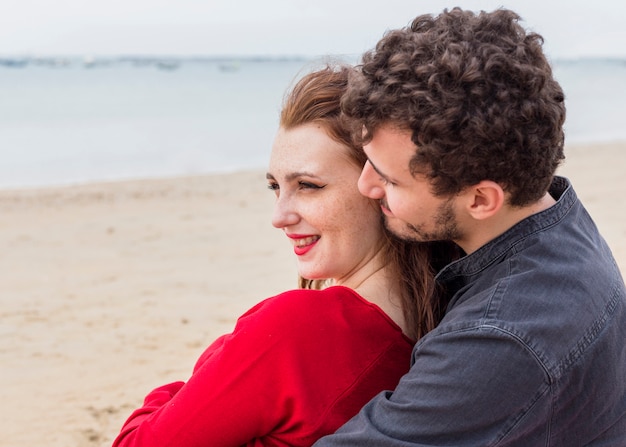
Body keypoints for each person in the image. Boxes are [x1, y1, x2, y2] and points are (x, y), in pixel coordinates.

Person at [313, 8, 626, 446]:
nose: (365, 186)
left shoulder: (502, 336)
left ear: (481, 199)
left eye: (389, 178)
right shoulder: (555, 213)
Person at [112, 65, 458, 447]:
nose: (279, 216)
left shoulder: (294, 329)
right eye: (275, 186)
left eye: (308, 185)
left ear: (381, 185)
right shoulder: (450, 320)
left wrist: (186, 388)